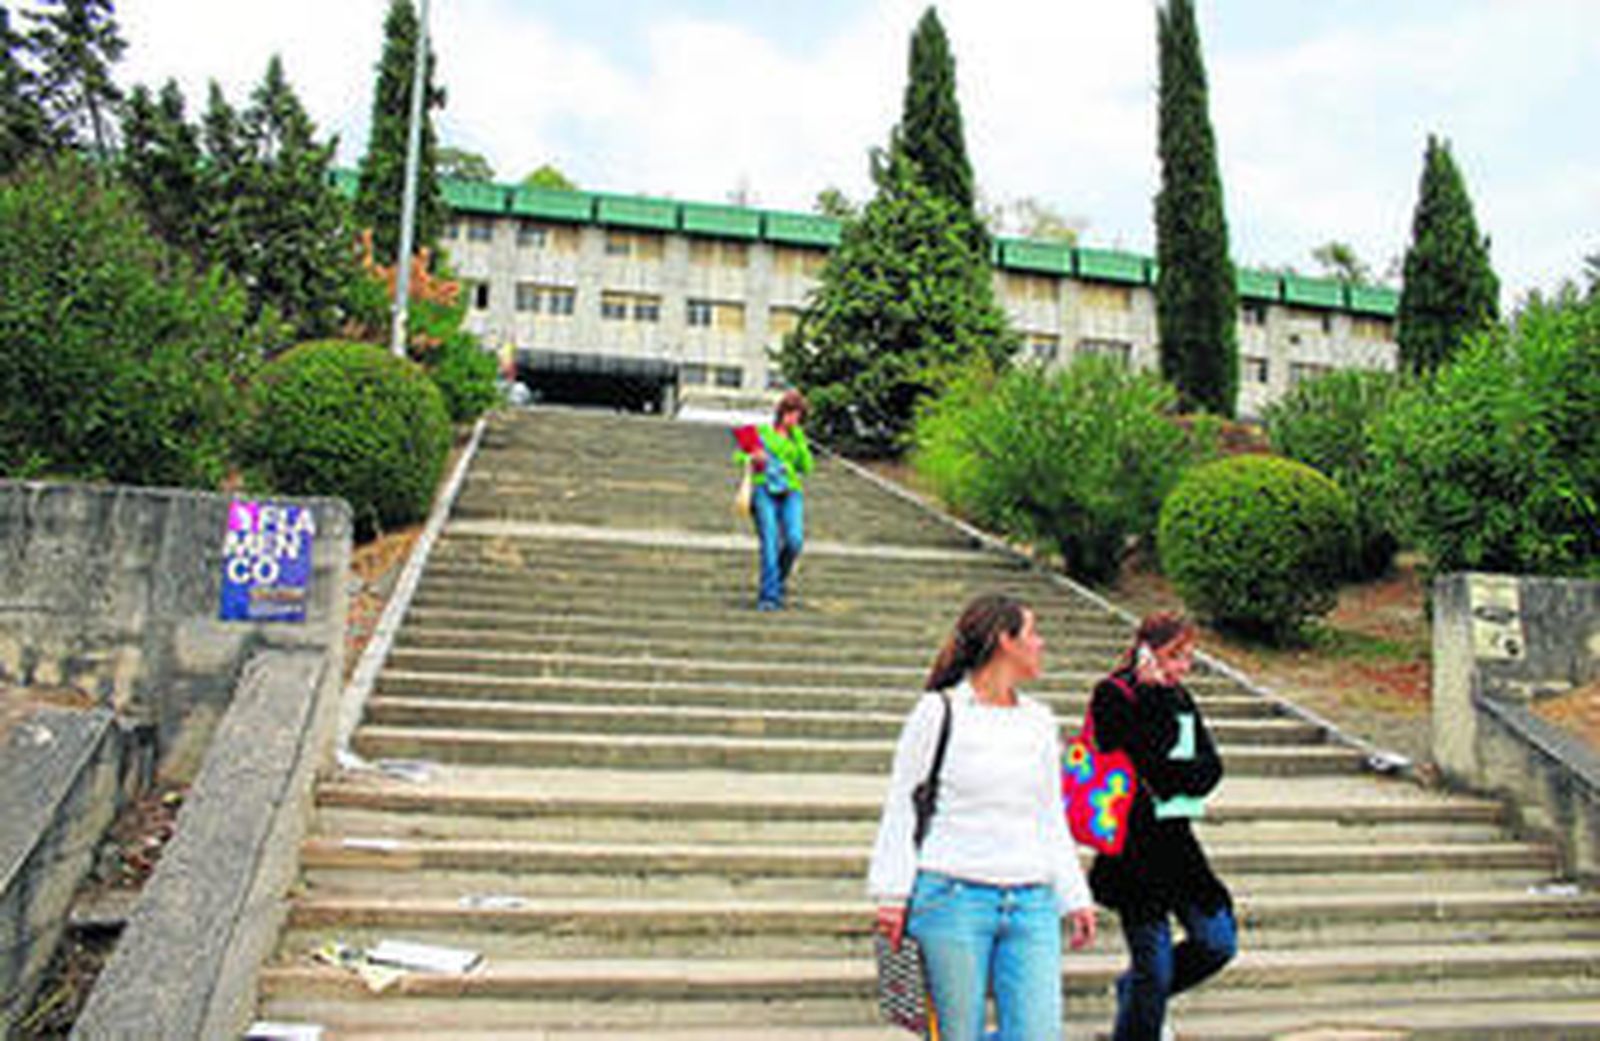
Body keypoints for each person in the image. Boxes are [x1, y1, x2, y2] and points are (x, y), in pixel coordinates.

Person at [869, 593, 1097, 1041]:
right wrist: (891, 893)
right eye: (1032, 632)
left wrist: (1074, 893)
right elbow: (901, 805)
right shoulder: (939, 712)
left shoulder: (1038, 720)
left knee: (1038, 1033)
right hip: (951, 896)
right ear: (1003, 641)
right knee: (957, 1034)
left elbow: (1050, 814)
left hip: (1031, 899)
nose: (1041, 643)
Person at [1088, 612, 1236, 1041]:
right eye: (1174, 657)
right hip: (1133, 854)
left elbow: (1210, 767)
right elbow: (1142, 759)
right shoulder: (1114, 694)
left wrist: (1177, 775)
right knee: (1153, 968)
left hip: (1178, 847)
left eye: (1188, 658)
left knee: (1217, 942)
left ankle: (1132, 994)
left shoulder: (1181, 699)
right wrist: (1152, 699)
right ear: (1146, 651)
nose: (1181, 668)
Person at [736, 389, 814, 611]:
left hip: (791, 491)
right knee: (769, 541)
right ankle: (769, 597)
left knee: (794, 540)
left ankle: (778, 579)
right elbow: (739, 454)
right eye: (791, 413)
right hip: (763, 489)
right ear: (781, 412)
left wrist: (799, 439)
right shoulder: (761, 432)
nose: (793, 419)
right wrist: (753, 456)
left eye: (798, 415)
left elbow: (807, 467)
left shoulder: (797, 439)